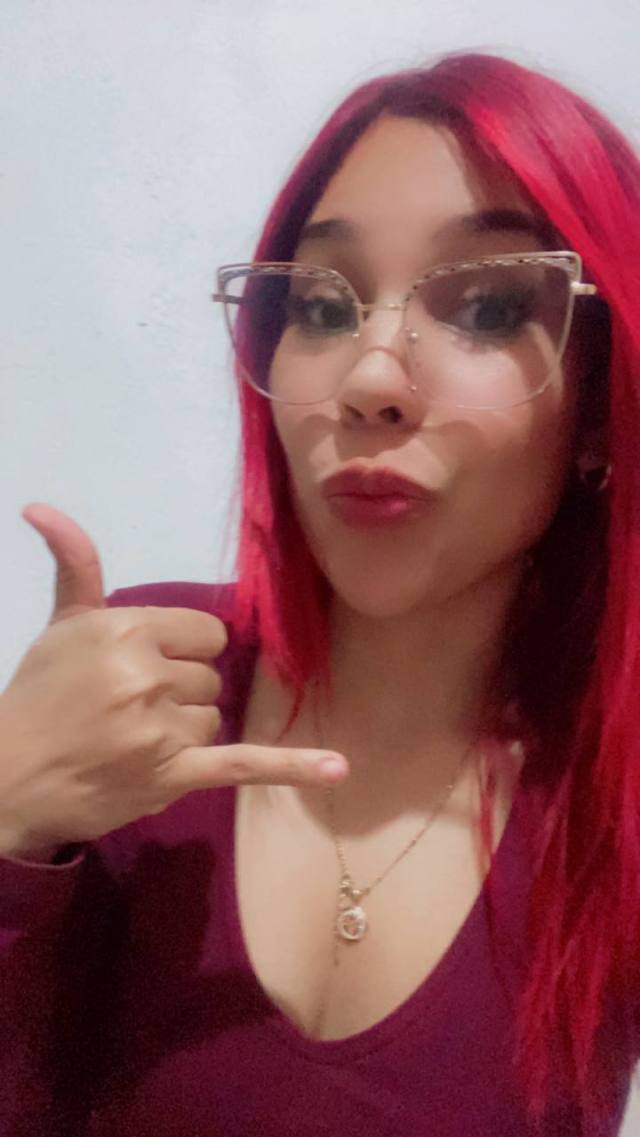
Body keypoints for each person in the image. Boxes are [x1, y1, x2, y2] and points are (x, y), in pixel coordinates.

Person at [1, 48, 639, 1137]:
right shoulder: (149, 682)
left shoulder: (610, 797)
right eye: (323, 305)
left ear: (598, 410)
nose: (370, 379)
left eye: (487, 308)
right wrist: (10, 822)